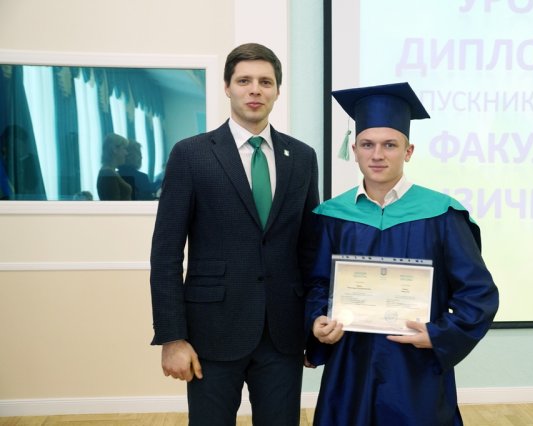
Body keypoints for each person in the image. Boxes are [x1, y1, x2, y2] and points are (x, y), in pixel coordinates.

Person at [305, 82, 499, 426]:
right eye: (368, 144)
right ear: (355, 150)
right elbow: (316, 283)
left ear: (408, 151)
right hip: (349, 367)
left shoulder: (442, 214)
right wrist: (317, 321)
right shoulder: (331, 216)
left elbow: (478, 293)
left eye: (390, 145)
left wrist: (439, 335)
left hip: (415, 369)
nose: (377, 155)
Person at [149, 43, 319, 426]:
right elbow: (165, 254)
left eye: (265, 82)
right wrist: (172, 337)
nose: (255, 89)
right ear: (227, 87)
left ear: (278, 90)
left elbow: (309, 249)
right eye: (244, 81)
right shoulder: (191, 155)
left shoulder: (302, 157)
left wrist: (313, 325)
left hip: (283, 334)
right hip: (211, 332)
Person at [96, 133, 132, 200]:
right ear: (114, 149)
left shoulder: (109, 172)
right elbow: (114, 204)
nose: (126, 153)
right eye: (124, 148)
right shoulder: (108, 174)